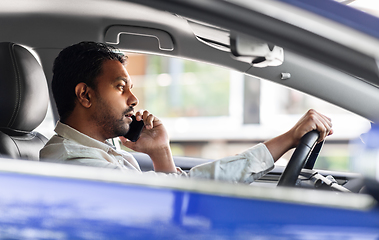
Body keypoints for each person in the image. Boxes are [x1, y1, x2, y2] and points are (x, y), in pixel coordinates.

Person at [40, 41, 333, 183]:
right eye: (120, 87)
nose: (133, 99)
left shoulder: (97, 152)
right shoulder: (75, 163)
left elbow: (171, 196)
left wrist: (160, 153)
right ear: (85, 95)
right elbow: (178, 196)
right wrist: (286, 139)